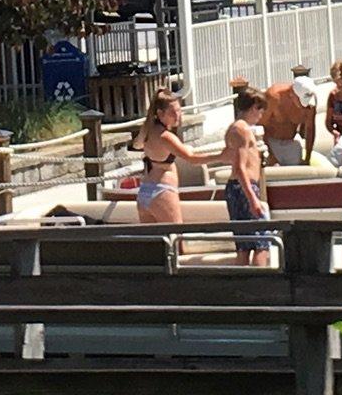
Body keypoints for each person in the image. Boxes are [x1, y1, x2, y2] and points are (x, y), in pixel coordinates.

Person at [126, 88, 223, 225]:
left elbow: (137, 145)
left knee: (154, 244)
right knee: (177, 240)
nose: (178, 116)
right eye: (173, 112)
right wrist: (222, 156)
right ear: (160, 113)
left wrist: (151, 151)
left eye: (179, 111)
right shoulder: (166, 137)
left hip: (145, 192)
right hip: (162, 191)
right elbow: (191, 158)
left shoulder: (147, 128)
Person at [222, 88, 274, 265]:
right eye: (260, 110)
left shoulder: (235, 128)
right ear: (253, 107)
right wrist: (253, 199)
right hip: (244, 187)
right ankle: (262, 284)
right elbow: (240, 167)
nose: (261, 115)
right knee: (262, 242)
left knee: (244, 244)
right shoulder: (242, 130)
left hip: (238, 188)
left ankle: (244, 285)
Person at [261, 65, 319, 165]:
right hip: (269, 142)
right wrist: (270, 154)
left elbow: (310, 130)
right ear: (292, 94)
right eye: (301, 101)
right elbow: (260, 125)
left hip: (291, 142)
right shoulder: (274, 97)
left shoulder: (311, 102)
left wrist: (307, 158)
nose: (304, 106)